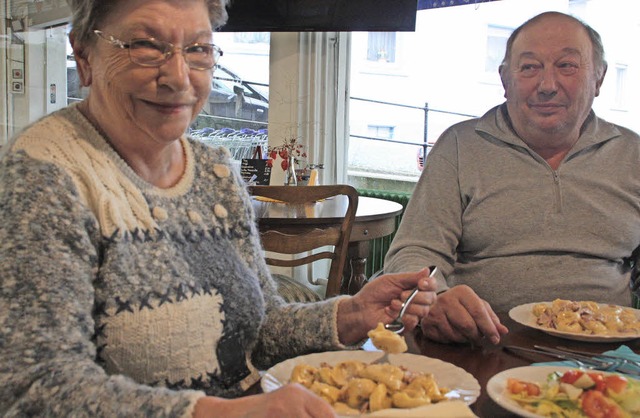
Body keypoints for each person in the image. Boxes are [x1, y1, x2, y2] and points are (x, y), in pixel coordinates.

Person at [0, 0, 438, 417]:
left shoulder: (215, 172)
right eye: (147, 46)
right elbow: (35, 386)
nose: (178, 76)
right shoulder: (43, 174)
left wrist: (353, 313)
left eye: (198, 49)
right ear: (84, 53)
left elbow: (260, 331)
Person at [384, 11, 640, 346]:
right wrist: (436, 299)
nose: (547, 86)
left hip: (609, 353)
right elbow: (415, 251)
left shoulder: (632, 155)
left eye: (567, 66)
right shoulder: (459, 146)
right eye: (529, 67)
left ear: (599, 78)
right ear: (506, 80)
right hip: (482, 345)